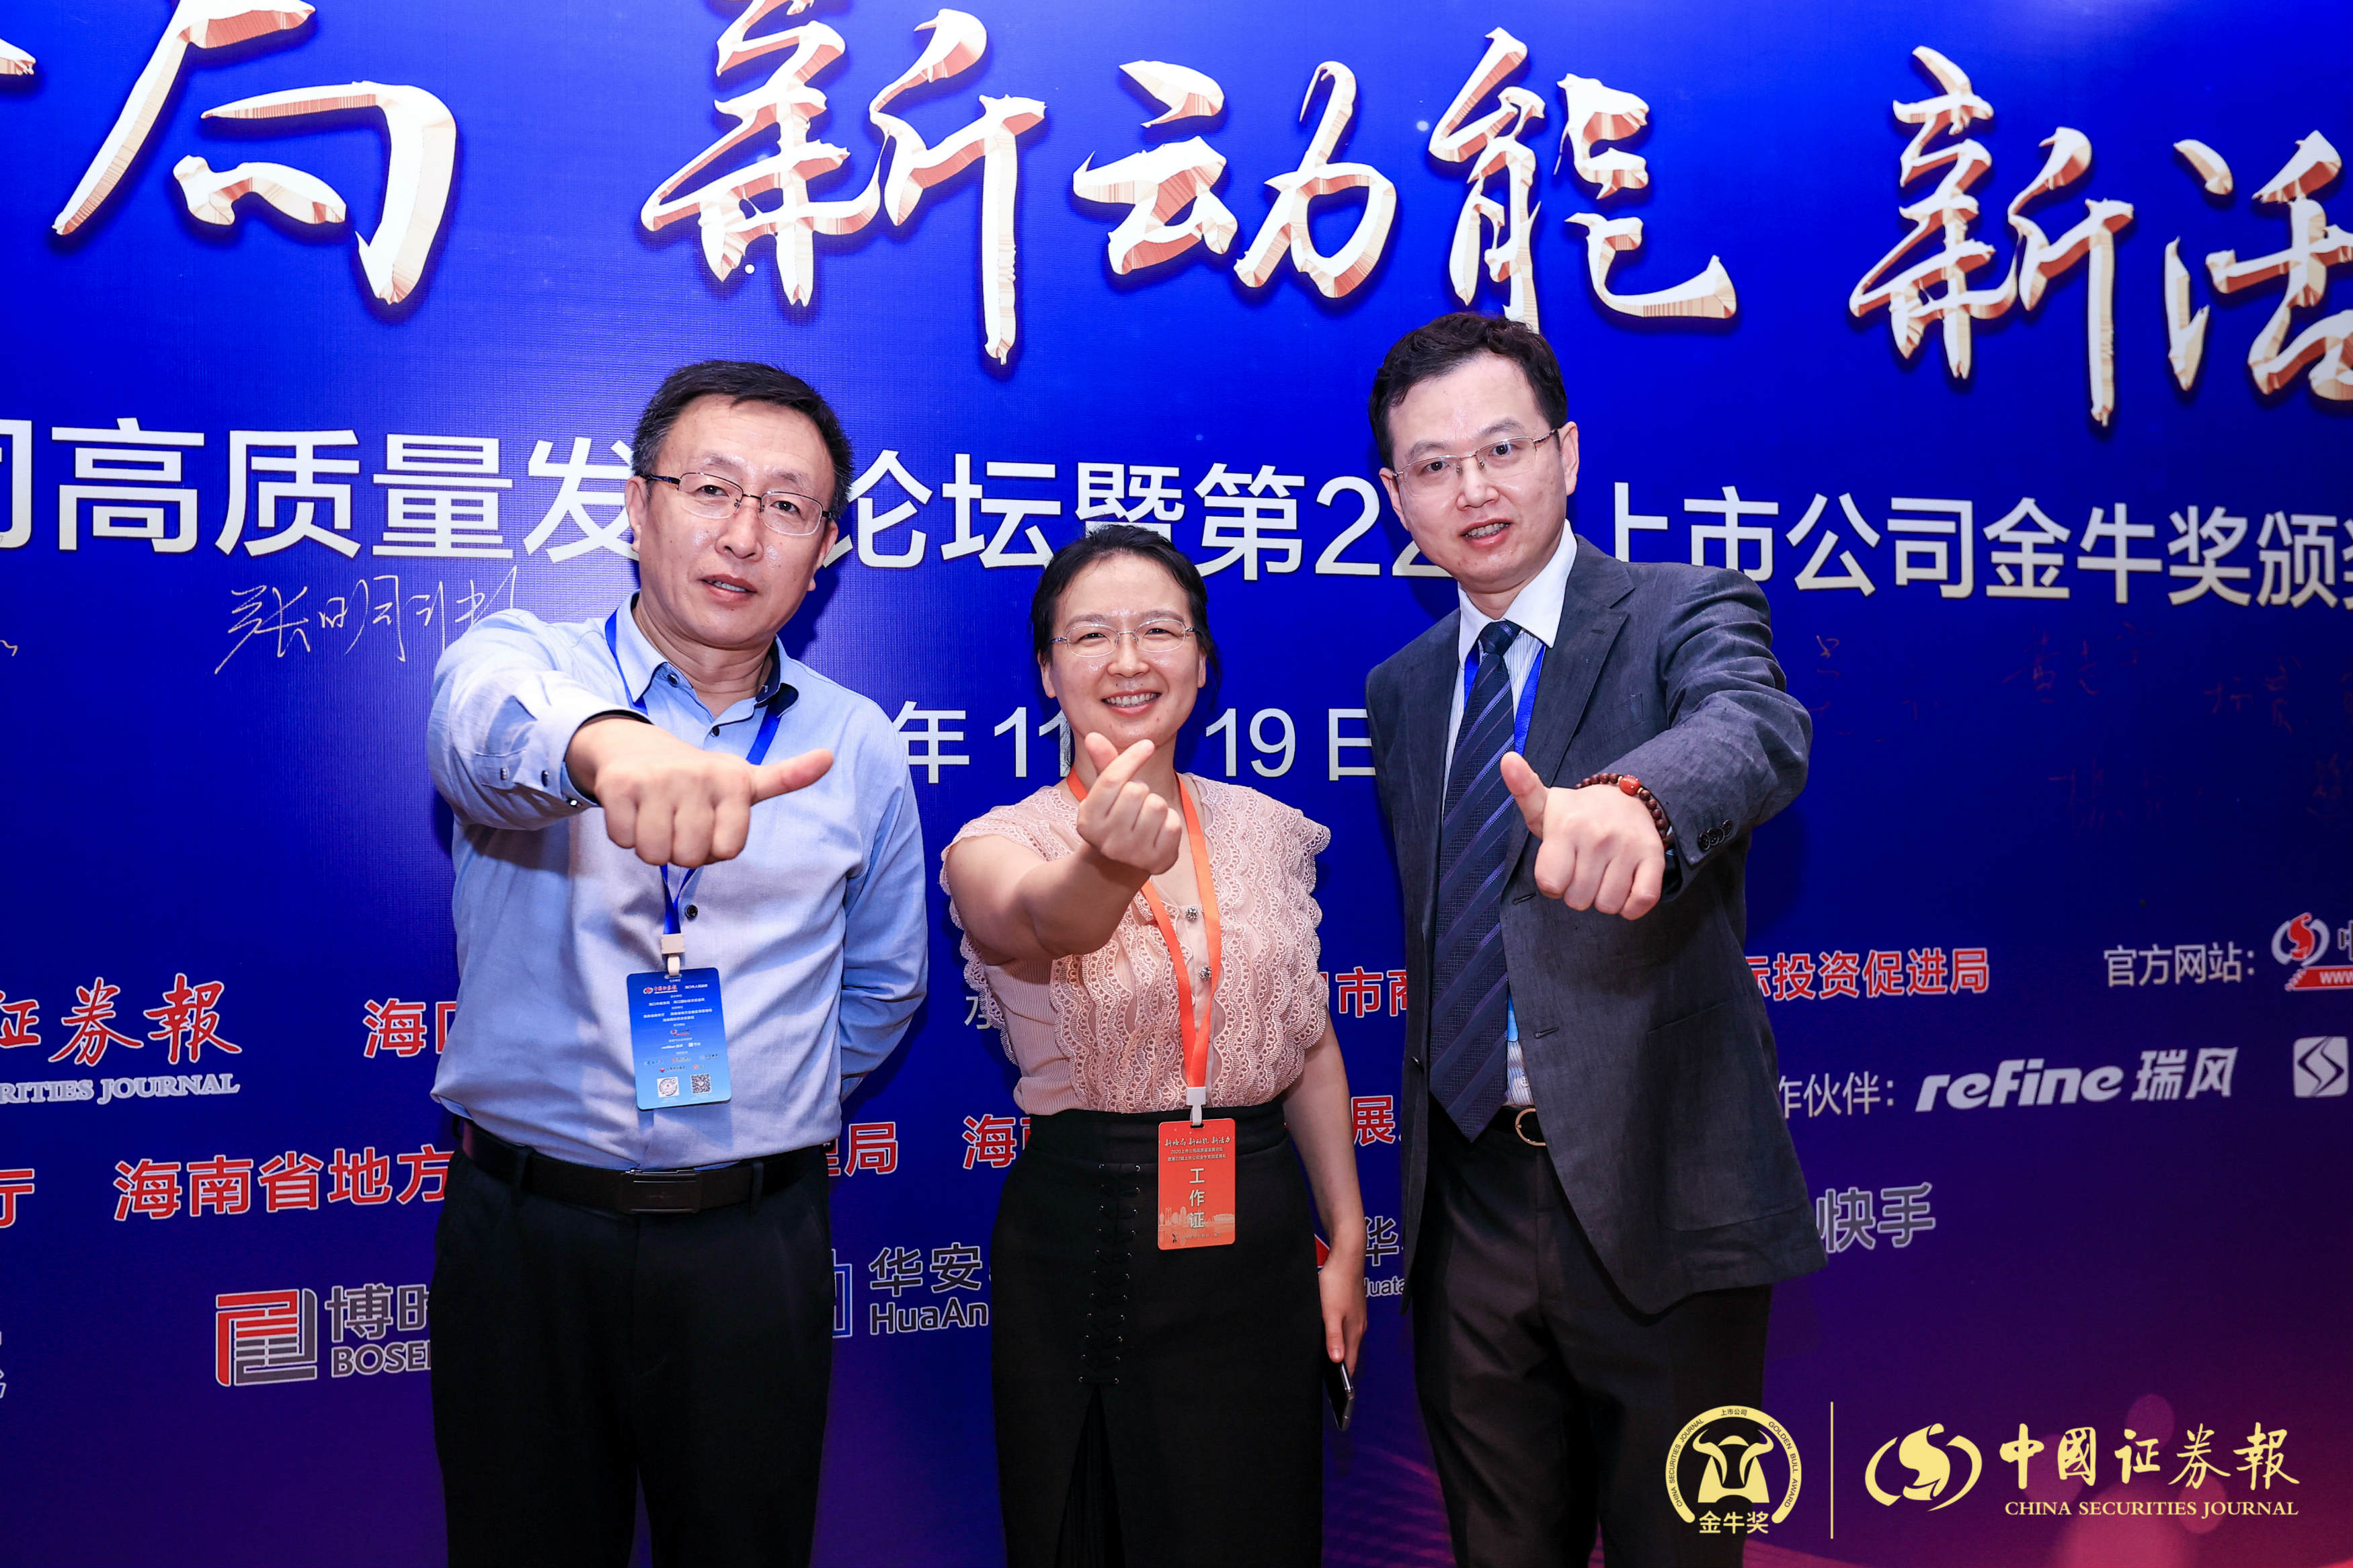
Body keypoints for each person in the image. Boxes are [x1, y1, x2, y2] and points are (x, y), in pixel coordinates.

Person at [424, 360, 927, 1568]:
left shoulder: (854, 741)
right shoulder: (529, 661)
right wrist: (607, 751)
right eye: (711, 488)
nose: (744, 534)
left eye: (787, 505)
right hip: (528, 1234)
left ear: (827, 548)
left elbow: (883, 983)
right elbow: (474, 727)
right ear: (636, 505)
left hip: (754, 1247)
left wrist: (765, 1106)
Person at [1360, 313, 1823, 1568]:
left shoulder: (1682, 608)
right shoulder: (1403, 688)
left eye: (1502, 449)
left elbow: (1754, 725)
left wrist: (1643, 802)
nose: (1474, 489)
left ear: (1566, 453)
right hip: (1467, 1202)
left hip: (1661, 1187)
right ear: (1398, 497)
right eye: (1435, 465)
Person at [943, 525, 1369, 1568]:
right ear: (1048, 671)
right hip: (1088, 1234)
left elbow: (1306, 1041)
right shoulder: (1001, 841)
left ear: (1202, 661)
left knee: (1255, 1526)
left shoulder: (1268, 829)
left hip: (1260, 1229)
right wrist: (1106, 863)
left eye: (1160, 630)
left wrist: (1349, 1236)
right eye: (1091, 635)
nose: (1128, 660)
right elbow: (1041, 920)